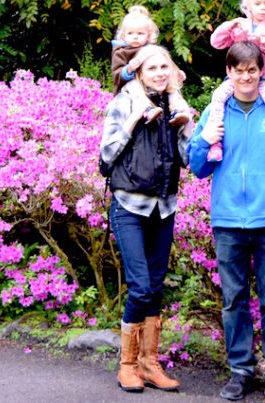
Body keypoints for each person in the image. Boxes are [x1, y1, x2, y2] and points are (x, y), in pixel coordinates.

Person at [188, 41, 265, 403]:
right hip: (228, 223)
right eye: (238, 70)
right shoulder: (216, 111)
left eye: (252, 70)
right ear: (229, 72)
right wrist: (205, 140)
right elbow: (197, 168)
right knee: (233, 301)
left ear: (261, 71)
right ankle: (240, 370)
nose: (245, 76)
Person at [100, 44, 193, 394]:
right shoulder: (124, 101)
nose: (159, 73)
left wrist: (186, 127)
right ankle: (127, 364)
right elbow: (107, 153)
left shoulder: (175, 104)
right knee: (140, 286)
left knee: (155, 288)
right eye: (152, 67)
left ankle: (149, 363)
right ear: (139, 71)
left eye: (164, 67)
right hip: (129, 207)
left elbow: (187, 161)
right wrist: (134, 120)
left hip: (164, 208)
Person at [205, 0, 265, 171]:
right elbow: (216, 42)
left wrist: (264, 43)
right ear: (248, 6)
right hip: (237, 81)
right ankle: (215, 144)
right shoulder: (239, 27)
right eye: (258, 4)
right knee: (218, 96)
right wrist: (228, 26)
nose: (262, 8)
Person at [110, 4, 191, 126]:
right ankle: (147, 110)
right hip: (131, 89)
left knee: (172, 86)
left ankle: (177, 110)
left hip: (152, 85)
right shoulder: (121, 52)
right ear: (123, 36)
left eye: (140, 33)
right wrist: (128, 69)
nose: (135, 37)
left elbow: (167, 62)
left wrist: (177, 72)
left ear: (148, 36)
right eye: (130, 33)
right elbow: (116, 76)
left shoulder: (151, 49)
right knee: (134, 86)